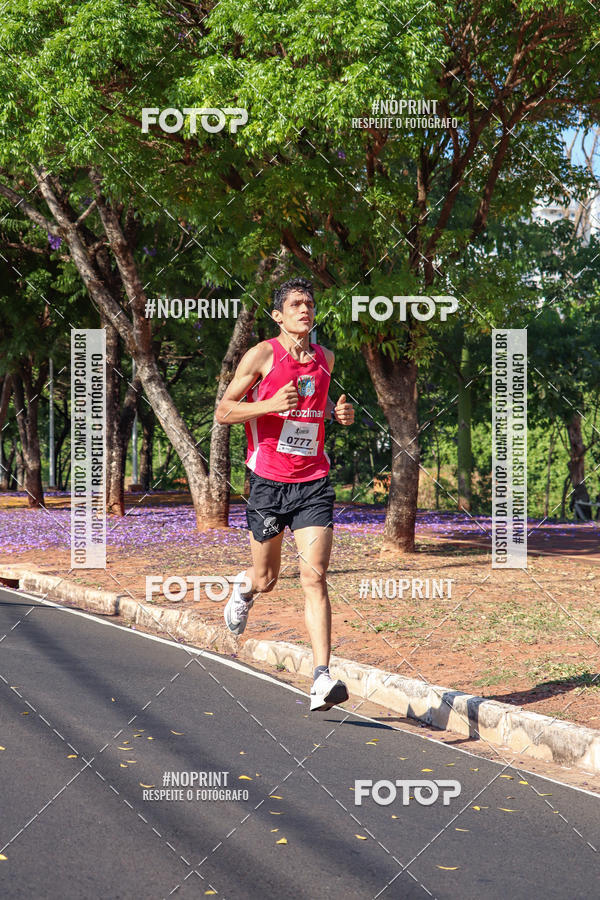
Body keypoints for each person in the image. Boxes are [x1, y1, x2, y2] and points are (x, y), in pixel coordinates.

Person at [215, 277, 355, 711]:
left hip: (313, 480)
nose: (304, 309)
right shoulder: (261, 355)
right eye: (295, 304)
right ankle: (245, 590)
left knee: (314, 576)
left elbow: (316, 407)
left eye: (309, 303)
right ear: (278, 315)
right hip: (268, 482)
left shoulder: (325, 358)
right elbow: (223, 411)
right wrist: (269, 405)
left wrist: (338, 414)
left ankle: (321, 677)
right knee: (268, 580)